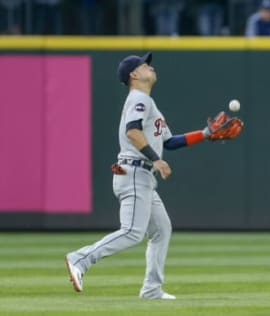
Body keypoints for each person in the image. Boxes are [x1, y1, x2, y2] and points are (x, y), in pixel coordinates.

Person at [65, 52, 242, 299]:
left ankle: (151, 288)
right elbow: (132, 132)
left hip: (141, 175)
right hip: (136, 170)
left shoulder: (149, 103)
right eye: (145, 65)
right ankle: (80, 259)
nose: (151, 67)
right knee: (132, 232)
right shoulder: (139, 99)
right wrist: (156, 158)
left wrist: (204, 134)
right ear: (134, 74)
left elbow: (169, 142)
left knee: (161, 229)